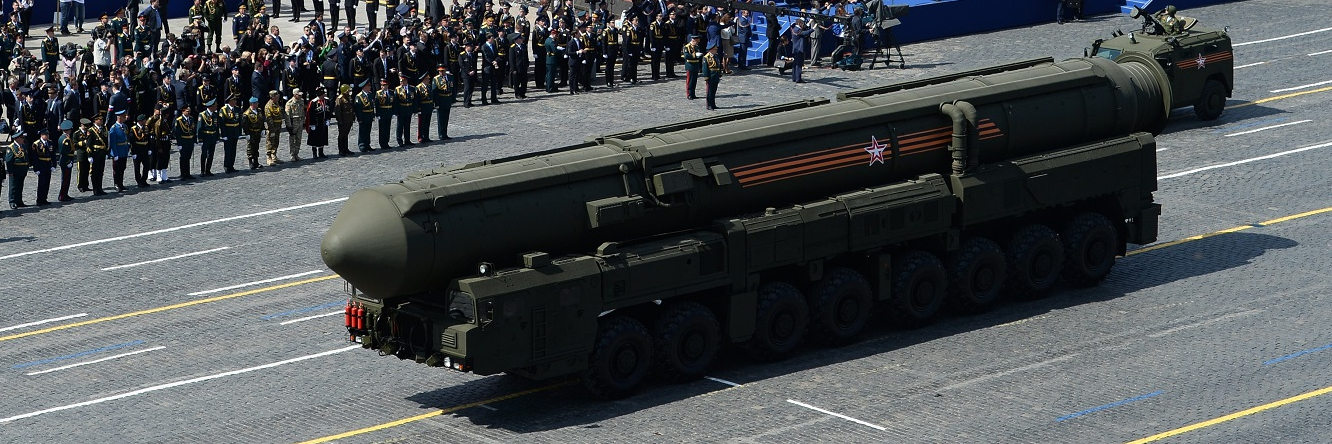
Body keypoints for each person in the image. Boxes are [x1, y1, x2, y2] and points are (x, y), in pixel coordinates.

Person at [149, 102, 173, 182]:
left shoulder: (165, 121)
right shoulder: (158, 123)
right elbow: (158, 136)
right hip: (159, 142)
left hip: (166, 142)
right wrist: (159, 147)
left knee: (166, 158)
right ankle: (157, 175)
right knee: (158, 159)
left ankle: (164, 175)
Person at [85, 115, 108, 195]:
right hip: (95, 153)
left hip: (102, 152)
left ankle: (100, 188)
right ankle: (95, 189)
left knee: (101, 171)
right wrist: (89, 156)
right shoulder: (91, 130)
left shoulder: (104, 129)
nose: (101, 121)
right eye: (99, 120)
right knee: (94, 172)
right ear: (95, 121)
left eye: (102, 119)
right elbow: (88, 144)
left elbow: (106, 140)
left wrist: (106, 152)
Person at [5, 132, 29, 208]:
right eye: (22, 138)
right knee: (13, 186)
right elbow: (9, 161)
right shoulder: (11, 147)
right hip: (15, 170)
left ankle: (19, 201)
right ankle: (12, 201)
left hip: (22, 170)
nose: (23, 139)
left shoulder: (23, 146)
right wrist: (10, 171)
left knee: (20, 186)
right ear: (17, 138)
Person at [306, 87, 331, 158]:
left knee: (323, 137)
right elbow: (310, 114)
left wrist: (328, 119)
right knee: (314, 138)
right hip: (316, 123)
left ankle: (321, 152)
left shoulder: (327, 101)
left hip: (323, 122)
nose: (324, 95)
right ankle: (314, 153)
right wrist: (312, 124)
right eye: (323, 94)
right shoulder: (313, 102)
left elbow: (329, 111)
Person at [129, 113, 153, 188]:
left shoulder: (146, 128)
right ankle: (138, 181)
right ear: (140, 121)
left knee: (146, 165)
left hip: (145, 149)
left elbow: (148, 139)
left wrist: (149, 148)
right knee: (137, 167)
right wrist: (133, 152)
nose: (145, 121)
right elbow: (132, 141)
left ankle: (144, 180)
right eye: (144, 120)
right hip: (138, 149)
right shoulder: (134, 129)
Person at [31, 129, 54, 205]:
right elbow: (34, 158)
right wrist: (36, 168)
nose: (47, 136)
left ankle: (44, 198)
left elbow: (52, 155)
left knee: (47, 183)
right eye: (46, 135)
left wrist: (53, 165)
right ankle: (39, 199)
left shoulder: (50, 143)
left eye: (48, 135)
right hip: (41, 165)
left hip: (48, 165)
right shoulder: (36, 144)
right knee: (41, 183)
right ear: (41, 135)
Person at [197, 99, 220, 176]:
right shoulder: (202, 115)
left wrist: (217, 137)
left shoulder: (215, 115)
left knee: (211, 154)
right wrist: (200, 139)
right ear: (211, 107)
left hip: (213, 136)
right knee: (204, 154)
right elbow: (199, 128)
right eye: (215, 106)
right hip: (205, 137)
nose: (216, 107)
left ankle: (208, 170)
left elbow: (217, 127)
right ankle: (202, 171)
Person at [220, 96, 243, 172]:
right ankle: (226, 166)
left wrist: (240, 132)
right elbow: (222, 124)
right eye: (234, 100)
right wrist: (223, 135)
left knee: (233, 150)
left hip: (235, 132)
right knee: (228, 150)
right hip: (228, 132)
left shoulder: (237, 109)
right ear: (230, 101)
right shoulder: (223, 110)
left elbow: (239, 121)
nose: (236, 101)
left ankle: (231, 165)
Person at [108, 111, 130, 192]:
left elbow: (126, 138)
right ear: (119, 117)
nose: (125, 118)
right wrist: (114, 154)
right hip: (117, 151)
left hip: (123, 150)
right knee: (116, 169)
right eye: (124, 116)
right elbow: (112, 143)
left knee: (122, 168)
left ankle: (121, 183)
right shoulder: (114, 128)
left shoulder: (124, 126)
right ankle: (116, 184)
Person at [175, 105, 198, 179]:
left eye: (189, 111)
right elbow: (177, 133)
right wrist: (179, 144)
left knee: (188, 157)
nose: (189, 113)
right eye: (187, 111)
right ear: (183, 111)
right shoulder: (179, 120)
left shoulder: (191, 119)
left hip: (190, 140)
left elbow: (194, 131)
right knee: (183, 158)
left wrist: (194, 140)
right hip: (183, 141)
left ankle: (188, 173)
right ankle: (183, 174)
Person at [242, 96, 265, 169]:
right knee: (250, 147)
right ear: (252, 104)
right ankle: (250, 161)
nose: (258, 104)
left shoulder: (259, 110)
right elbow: (245, 125)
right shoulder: (247, 114)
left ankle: (256, 161)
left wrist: (263, 129)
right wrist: (247, 133)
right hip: (251, 132)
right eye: (256, 103)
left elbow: (261, 120)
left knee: (256, 147)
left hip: (258, 131)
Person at [263, 90, 285, 165]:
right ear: (272, 97)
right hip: (272, 127)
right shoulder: (268, 106)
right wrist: (271, 129)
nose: (278, 98)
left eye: (278, 96)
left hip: (278, 126)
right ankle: (269, 157)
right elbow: (269, 118)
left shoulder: (276, 103)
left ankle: (274, 155)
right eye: (276, 97)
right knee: (270, 142)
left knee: (276, 141)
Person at [431, 65, 453, 140]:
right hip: (441, 99)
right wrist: (436, 103)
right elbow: (434, 91)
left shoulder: (450, 77)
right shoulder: (436, 79)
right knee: (440, 118)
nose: (442, 73)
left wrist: (452, 99)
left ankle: (445, 133)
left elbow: (453, 88)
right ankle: (441, 134)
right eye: (440, 71)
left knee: (446, 117)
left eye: (443, 71)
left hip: (448, 99)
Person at [56, 120, 76, 201]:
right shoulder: (65, 139)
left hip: (67, 160)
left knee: (67, 179)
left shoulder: (64, 137)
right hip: (66, 161)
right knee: (65, 179)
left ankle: (65, 194)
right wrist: (68, 162)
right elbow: (64, 153)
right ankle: (62, 195)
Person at [334, 84, 356, 156]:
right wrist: (340, 121)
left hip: (348, 119)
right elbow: (338, 111)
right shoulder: (339, 99)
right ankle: (341, 150)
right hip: (343, 119)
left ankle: (346, 149)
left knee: (346, 135)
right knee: (341, 135)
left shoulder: (348, 97)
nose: (349, 92)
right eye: (348, 91)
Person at [354, 80, 375, 152]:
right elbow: (358, 109)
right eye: (368, 86)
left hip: (369, 115)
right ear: (364, 87)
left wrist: (372, 115)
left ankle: (367, 144)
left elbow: (372, 106)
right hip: (363, 115)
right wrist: (359, 118)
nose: (370, 87)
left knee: (368, 131)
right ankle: (362, 145)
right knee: (362, 131)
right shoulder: (359, 96)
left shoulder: (370, 94)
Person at [284, 89, 306, 161]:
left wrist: (304, 122)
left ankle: (296, 154)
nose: (300, 96)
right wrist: (289, 126)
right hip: (293, 123)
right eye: (298, 95)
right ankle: (292, 155)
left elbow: (303, 112)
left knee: (298, 139)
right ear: (294, 95)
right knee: (292, 140)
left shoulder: (302, 101)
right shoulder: (289, 103)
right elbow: (287, 116)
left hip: (300, 122)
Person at [394, 73, 415, 146]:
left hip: (408, 108)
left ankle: (407, 140)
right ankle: (399, 140)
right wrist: (396, 111)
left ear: (406, 81)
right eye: (400, 81)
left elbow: (414, 100)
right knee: (400, 126)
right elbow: (396, 102)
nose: (401, 82)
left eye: (402, 81)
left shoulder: (412, 88)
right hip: (401, 109)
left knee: (407, 125)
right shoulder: (397, 89)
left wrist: (414, 109)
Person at [375, 79, 394, 149]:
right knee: (382, 129)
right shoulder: (378, 93)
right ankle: (382, 143)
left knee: (387, 128)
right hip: (382, 112)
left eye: (384, 85)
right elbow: (377, 105)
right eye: (382, 85)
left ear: (387, 85)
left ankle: (386, 142)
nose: (383, 87)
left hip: (389, 112)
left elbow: (393, 103)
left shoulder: (391, 92)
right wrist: (377, 114)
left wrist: (393, 112)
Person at [682, 34, 702, 100]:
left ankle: (693, 94)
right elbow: (686, 56)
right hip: (690, 65)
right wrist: (695, 56)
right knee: (689, 81)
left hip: (695, 65)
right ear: (693, 40)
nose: (697, 42)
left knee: (694, 81)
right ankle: (689, 94)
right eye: (696, 41)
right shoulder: (686, 47)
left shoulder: (697, 47)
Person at [702, 42, 721, 110]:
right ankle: (709, 105)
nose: (716, 50)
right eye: (714, 49)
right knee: (709, 92)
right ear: (711, 50)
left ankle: (713, 104)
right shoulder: (706, 57)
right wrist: (706, 77)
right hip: (710, 75)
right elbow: (705, 68)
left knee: (714, 91)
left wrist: (719, 73)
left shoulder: (716, 56)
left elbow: (718, 65)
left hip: (715, 75)